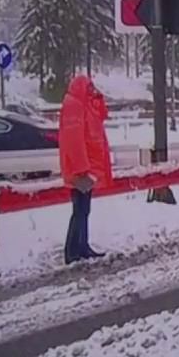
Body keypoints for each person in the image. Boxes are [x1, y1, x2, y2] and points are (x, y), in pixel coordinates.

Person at [59, 74, 112, 265]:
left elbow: (102, 115)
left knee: (84, 209)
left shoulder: (85, 104)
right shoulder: (74, 105)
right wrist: (81, 168)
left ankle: (82, 246)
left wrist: (98, 98)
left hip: (87, 167)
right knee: (79, 209)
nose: (92, 89)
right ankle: (72, 250)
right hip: (80, 168)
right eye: (89, 87)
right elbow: (73, 140)